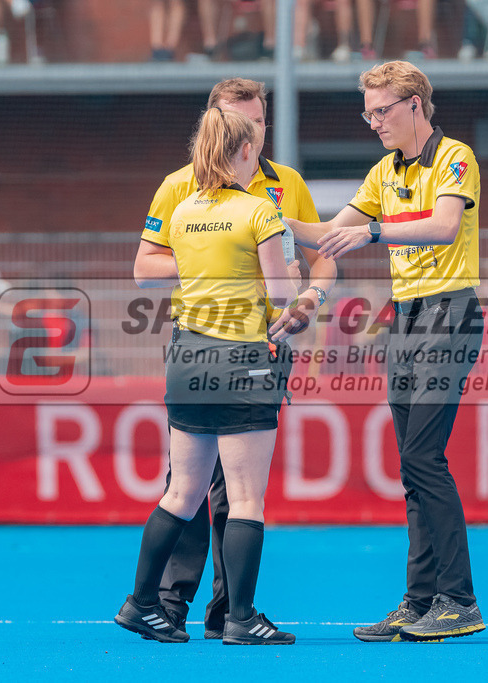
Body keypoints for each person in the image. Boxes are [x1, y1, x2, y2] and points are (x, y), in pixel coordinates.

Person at [284, 60, 486, 642]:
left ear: (415, 104)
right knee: (411, 466)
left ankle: (460, 600)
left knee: (424, 458)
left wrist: (373, 232)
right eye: (368, 112)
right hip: (406, 316)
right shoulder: (383, 171)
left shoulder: (456, 156)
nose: (373, 122)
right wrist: (261, 215)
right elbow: (328, 234)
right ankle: (420, 601)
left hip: (449, 312)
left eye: (382, 111)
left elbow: (446, 225)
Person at [135, 78, 336, 640]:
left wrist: (311, 296)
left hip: (193, 353)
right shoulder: (232, 201)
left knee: (187, 489)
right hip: (245, 352)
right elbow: (146, 267)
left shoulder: (219, 199)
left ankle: (158, 604)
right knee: (239, 496)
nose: (255, 134)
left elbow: (321, 259)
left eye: (260, 121)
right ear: (229, 136)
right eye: (244, 126)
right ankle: (215, 612)